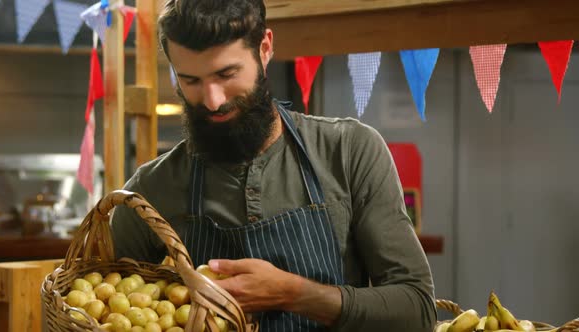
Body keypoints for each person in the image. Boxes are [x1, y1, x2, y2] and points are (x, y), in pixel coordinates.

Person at [110, 0, 437, 331]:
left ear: (264, 49)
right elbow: (101, 300)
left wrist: (294, 294)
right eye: (190, 80)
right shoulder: (151, 188)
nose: (213, 100)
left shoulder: (348, 151)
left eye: (226, 74)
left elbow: (416, 309)